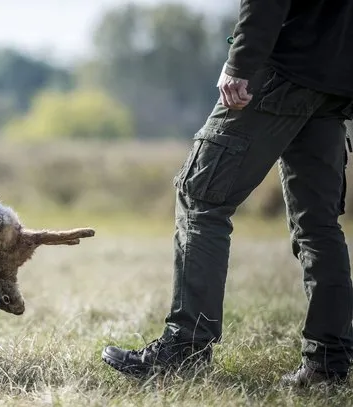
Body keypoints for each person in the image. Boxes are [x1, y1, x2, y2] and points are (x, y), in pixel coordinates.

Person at [102, 0, 353, 387]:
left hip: (282, 69)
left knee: (200, 196)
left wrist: (241, 62)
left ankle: (184, 351)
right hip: (334, 83)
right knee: (318, 224)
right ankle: (327, 364)